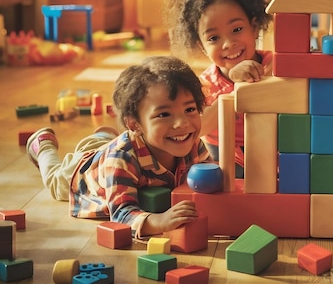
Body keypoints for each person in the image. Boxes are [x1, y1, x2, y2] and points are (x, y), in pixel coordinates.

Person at [26, 56, 212, 238]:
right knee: (54, 181)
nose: (182, 123)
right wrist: (160, 221)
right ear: (134, 125)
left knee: (105, 147)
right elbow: (122, 214)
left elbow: (212, 185)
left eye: (189, 110)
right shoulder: (122, 158)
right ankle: (43, 146)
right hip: (80, 174)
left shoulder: (193, 143)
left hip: (109, 151)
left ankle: (103, 137)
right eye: (164, 114)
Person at [165, 0, 274, 178]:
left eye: (237, 29)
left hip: (274, 153)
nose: (227, 43)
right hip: (228, 160)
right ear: (202, 46)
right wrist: (235, 87)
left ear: (254, 27)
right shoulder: (204, 85)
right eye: (214, 38)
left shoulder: (275, 65)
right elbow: (199, 127)